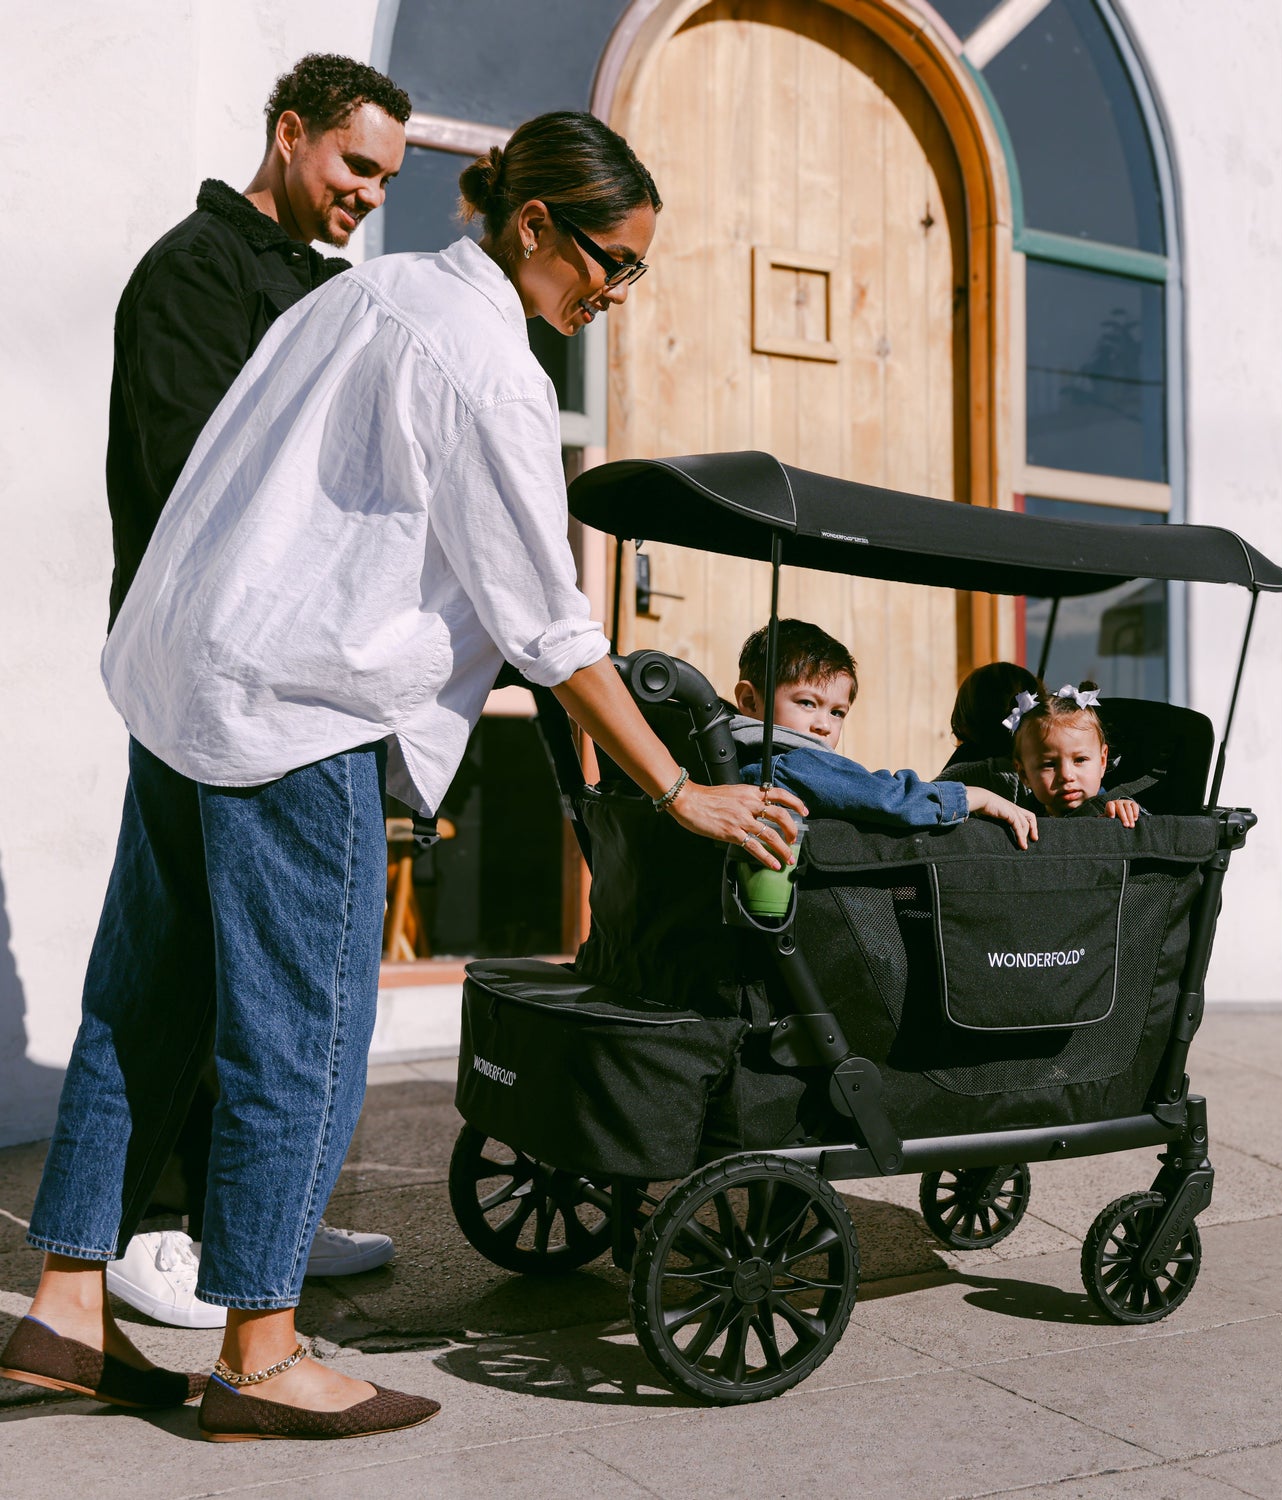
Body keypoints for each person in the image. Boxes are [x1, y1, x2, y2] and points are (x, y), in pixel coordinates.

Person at [2, 109, 802, 1442]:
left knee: (140, 1002)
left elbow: (226, 468)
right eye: (607, 261)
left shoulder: (365, 290)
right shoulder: (489, 365)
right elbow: (552, 628)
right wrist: (684, 791)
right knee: (301, 1035)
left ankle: (64, 1313)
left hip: (186, 672)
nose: (610, 293)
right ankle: (259, 1351)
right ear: (533, 222)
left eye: (634, 276)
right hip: (298, 712)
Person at [101, 54, 412, 1332]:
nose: (366, 196)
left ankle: (252, 1225)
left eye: (387, 180)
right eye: (354, 167)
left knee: (272, 976)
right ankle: (156, 1240)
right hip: (210, 677)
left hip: (293, 684)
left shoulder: (322, 292)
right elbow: (198, 493)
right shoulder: (196, 273)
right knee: (193, 966)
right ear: (290, 136)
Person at [731, 621, 1037, 846]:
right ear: (748, 701)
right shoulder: (791, 763)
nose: (823, 724)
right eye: (807, 703)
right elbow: (888, 798)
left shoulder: (743, 754)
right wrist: (975, 796)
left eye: (837, 712)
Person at [1008, 682, 1142, 826]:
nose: (1066, 776)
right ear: (1024, 774)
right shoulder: (1019, 817)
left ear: (1102, 761)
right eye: (1049, 764)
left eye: (1079, 760)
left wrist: (1127, 813)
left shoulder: (1114, 811)